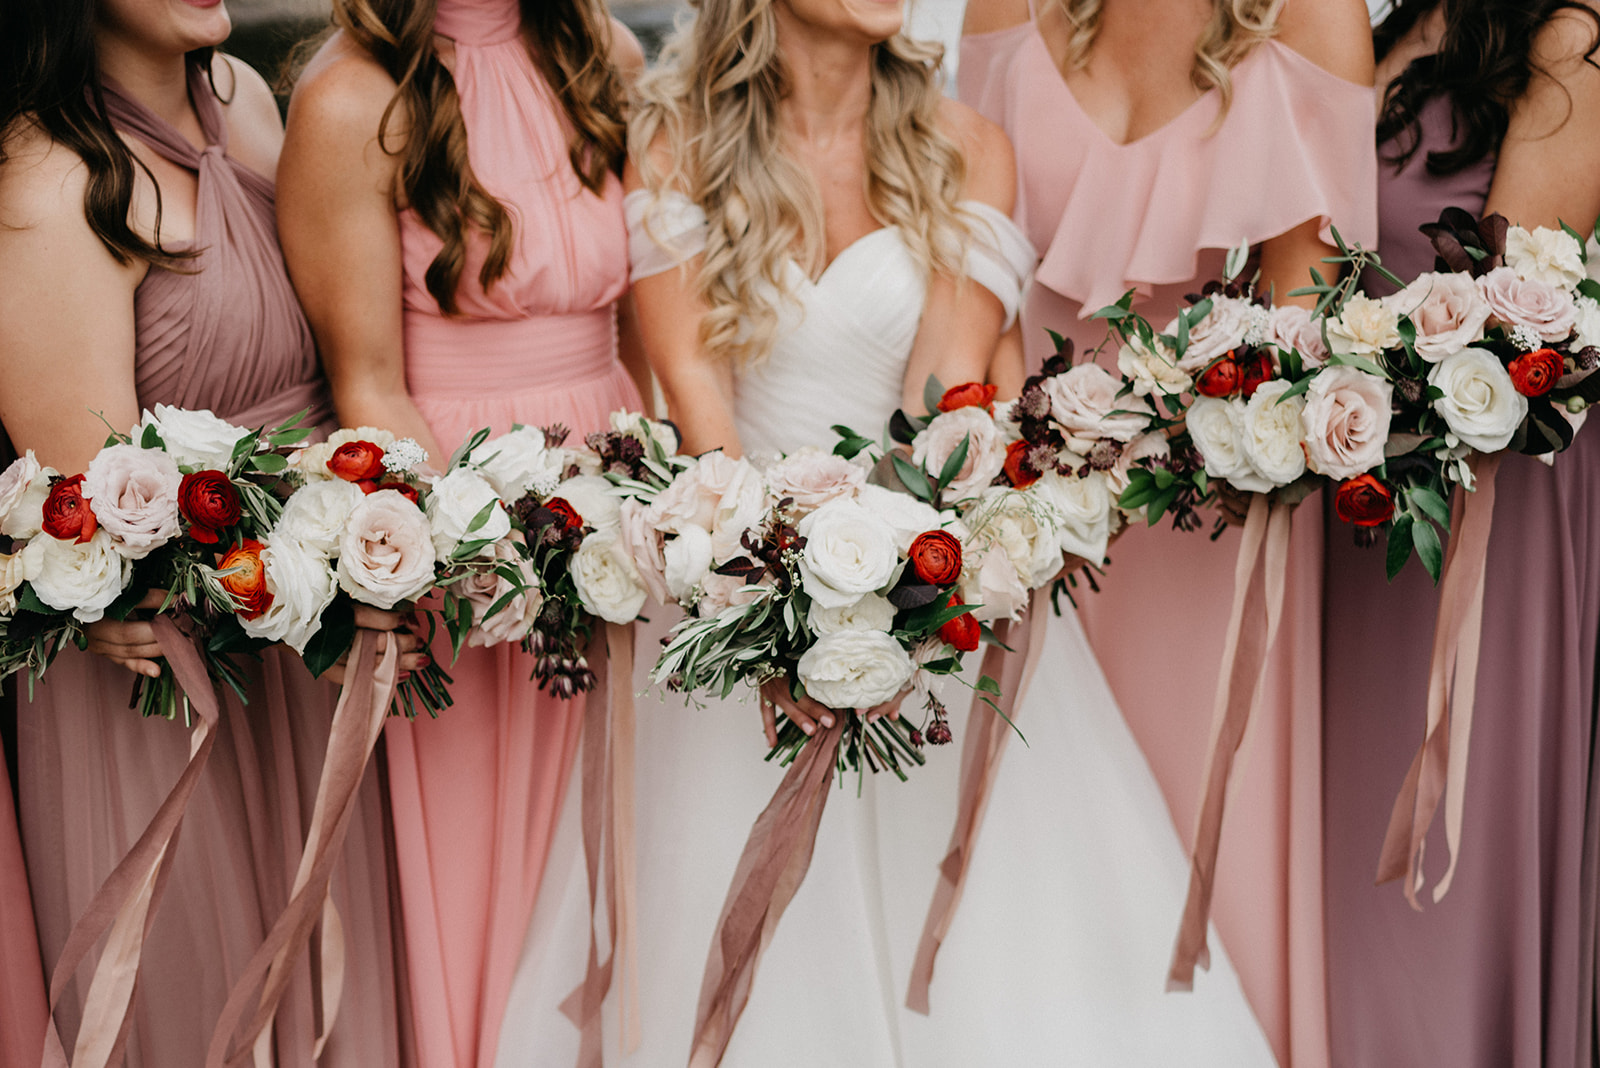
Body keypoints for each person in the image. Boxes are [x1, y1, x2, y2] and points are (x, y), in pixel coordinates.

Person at [957, 1, 1376, 1064]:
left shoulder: (1312, 19)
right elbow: (972, 283)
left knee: (1214, 869)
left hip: (1213, 537)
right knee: (1035, 873)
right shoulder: (1004, 9)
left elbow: (1308, 327)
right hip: (1032, 527)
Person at [0, 0, 415, 1063]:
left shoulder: (243, 99)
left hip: (309, 638)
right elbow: (97, 519)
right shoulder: (48, 186)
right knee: (203, 998)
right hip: (172, 681)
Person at [277, 1, 649, 1064]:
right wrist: (492, 556)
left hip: (611, 484)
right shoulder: (352, 98)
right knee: (489, 852)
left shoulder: (599, 51)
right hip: (463, 509)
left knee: (619, 829)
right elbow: (366, 383)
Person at [1321, 3, 1600, 1064]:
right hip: (1353, 501)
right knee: (1336, 869)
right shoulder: (1388, 26)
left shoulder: (1566, 37)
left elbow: (1515, 311)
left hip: (1479, 511)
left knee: (1432, 885)